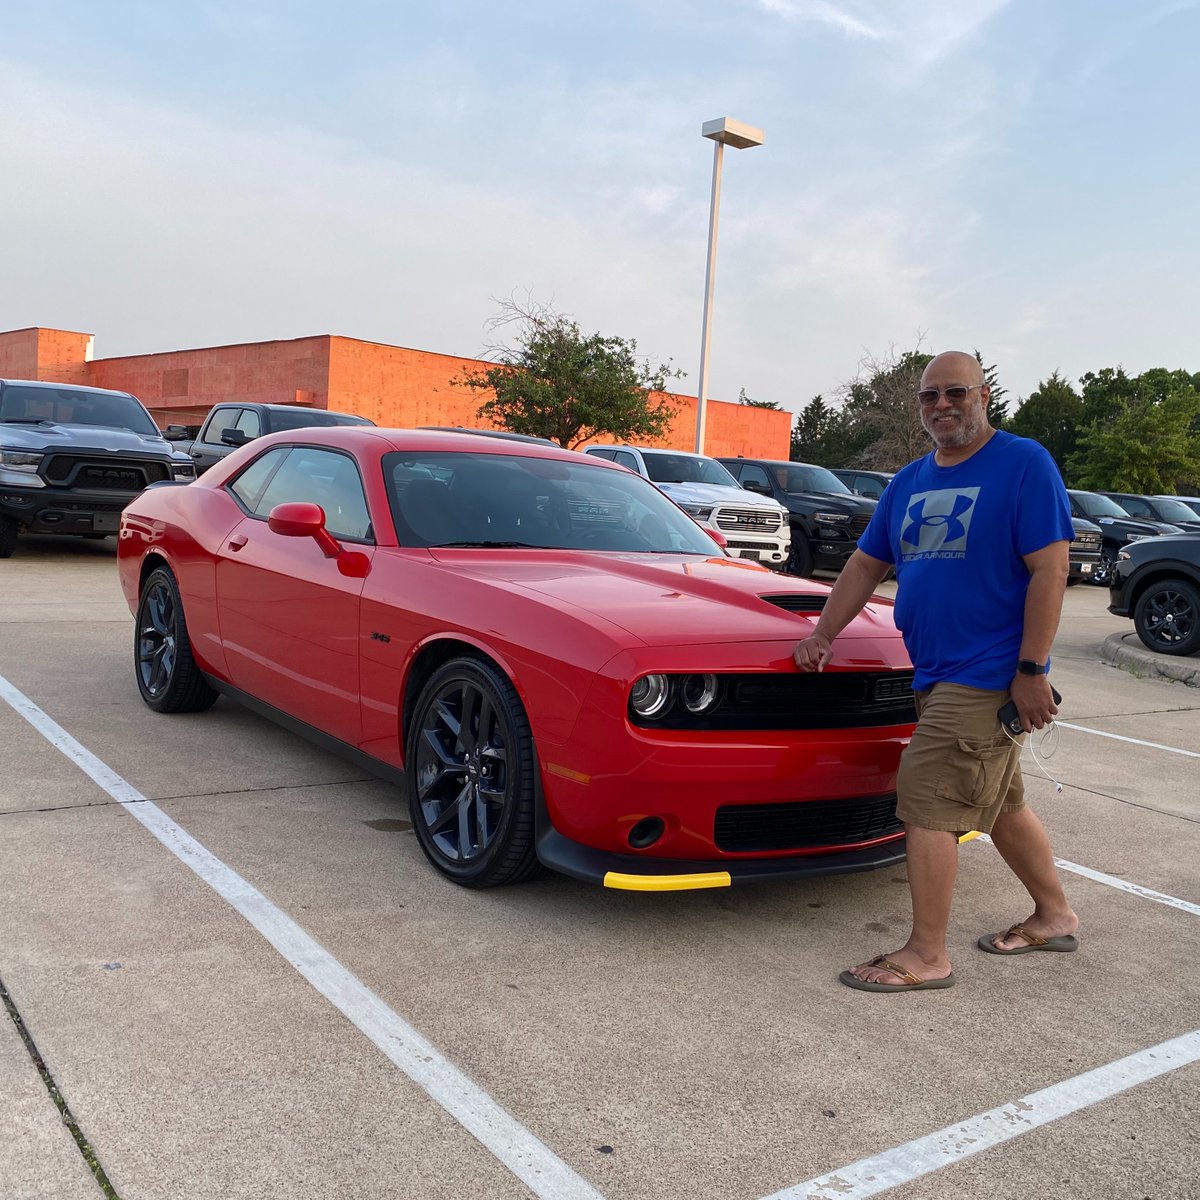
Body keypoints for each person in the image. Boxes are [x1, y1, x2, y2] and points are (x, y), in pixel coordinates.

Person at [794, 350, 1079, 992]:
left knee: (926, 795)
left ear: (984, 397)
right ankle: (1055, 914)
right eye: (930, 397)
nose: (942, 406)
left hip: (988, 673)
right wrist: (823, 632)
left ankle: (927, 954)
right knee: (1002, 803)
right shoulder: (910, 481)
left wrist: (1031, 669)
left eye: (956, 392)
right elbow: (866, 565)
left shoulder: (1023, 463)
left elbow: (1050, 570)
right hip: (936, 672)